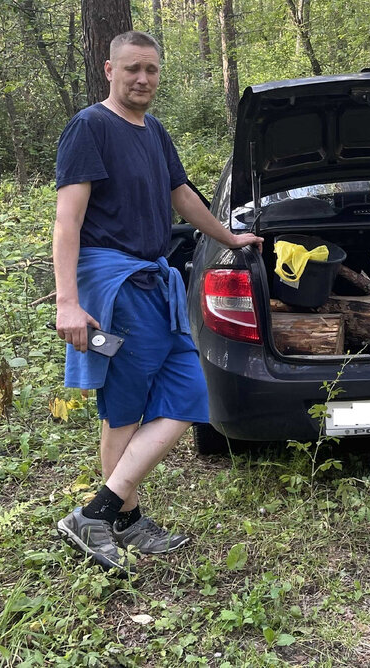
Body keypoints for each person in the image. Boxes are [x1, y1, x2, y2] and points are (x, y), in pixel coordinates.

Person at [52, 31, 262, 575]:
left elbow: (183, 195)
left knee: (189, 394)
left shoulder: (155, 132)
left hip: (155, 283)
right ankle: (121, 517)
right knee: (124, 405)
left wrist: (229, 237)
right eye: (132, 69)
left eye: (150, 69)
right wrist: (68, 303)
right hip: (116, 287)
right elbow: (67, 221)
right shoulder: (90, 127)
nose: (142, 78)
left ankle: (102, 514)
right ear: (109, 70)